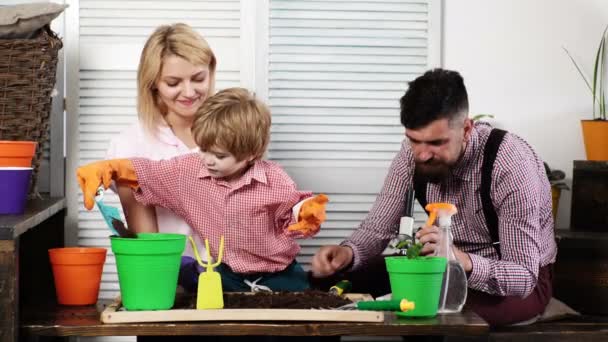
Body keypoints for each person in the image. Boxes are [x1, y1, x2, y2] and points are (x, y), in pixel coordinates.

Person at [310, 68, 557, 326]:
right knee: (326, 284)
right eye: (414, 140)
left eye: (436, 143)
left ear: (466, 128)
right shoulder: (413, 154)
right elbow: (377, 229)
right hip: (435, 267)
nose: (423, 154)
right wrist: (347, 253)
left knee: (436, 312)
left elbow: (523, 277)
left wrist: (461, 260)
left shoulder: (509, 164)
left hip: (513, 279)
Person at [78, 87, 328, 292]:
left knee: (297, 319)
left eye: (219, 155)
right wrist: (109, 167)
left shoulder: (274, 178)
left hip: (279, 273)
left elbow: (292, 210)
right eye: (204, 149)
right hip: (225, 274)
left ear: (251, 153)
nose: (208, 160)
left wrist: (304, 213)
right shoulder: (189, 171)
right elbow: (148, 172)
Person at [105, 23, 216, 259]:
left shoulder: (233, 133)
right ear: (153, 83)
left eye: (198, 78)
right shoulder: (131, 146)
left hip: (232, 279)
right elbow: (149, 249)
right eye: (173, 83)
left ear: (211, 71)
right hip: (169, 282)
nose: (188, 92)